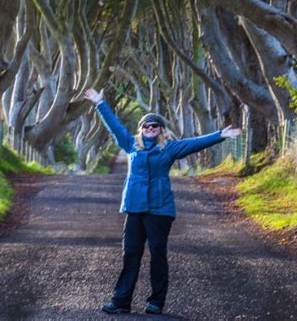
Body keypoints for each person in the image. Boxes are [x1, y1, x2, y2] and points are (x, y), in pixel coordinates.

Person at [84, 87, 241, 316]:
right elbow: (114, 126)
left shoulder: (169, 148)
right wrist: (100, 103)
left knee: (158, 254)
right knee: (130, 255)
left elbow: (193, 143)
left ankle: (156, 302)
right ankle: (121, 300)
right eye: (146, 125)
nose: (149, 128)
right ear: (141, 129)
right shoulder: (131, 144)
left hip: (160, 210)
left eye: (154, 126)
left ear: (160, 130)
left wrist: (220, 135)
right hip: (135, 208)